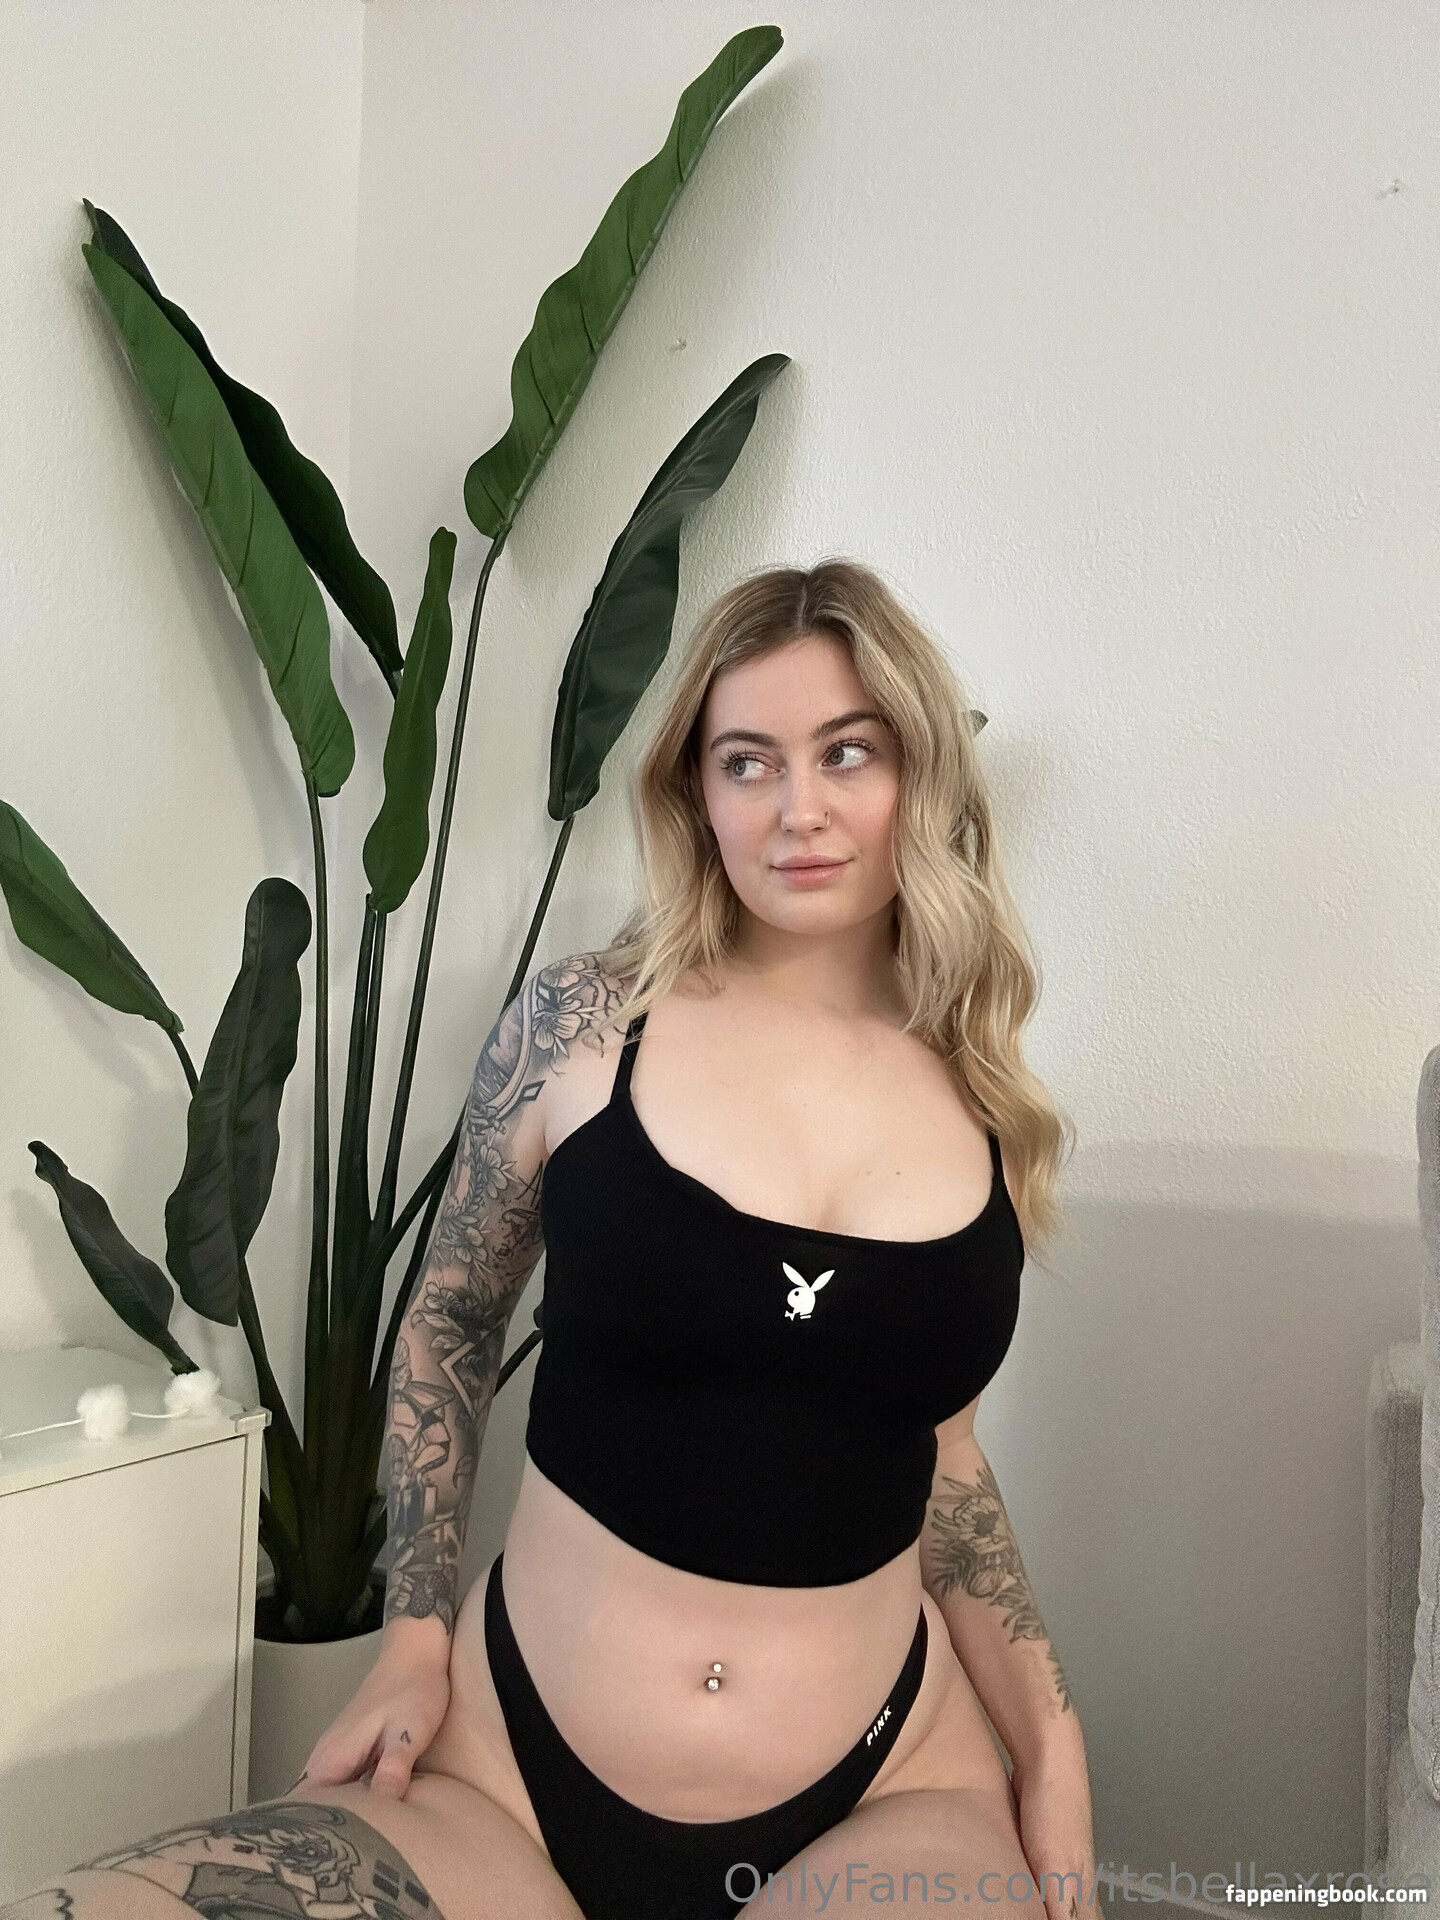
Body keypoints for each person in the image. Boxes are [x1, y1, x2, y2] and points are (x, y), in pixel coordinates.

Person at [9, 560, 1092, 1920]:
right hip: (504, 1774)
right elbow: (451, 1321)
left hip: (883, 1788)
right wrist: (414, 1637)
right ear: (696, 794)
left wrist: (1052, 1741)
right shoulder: (583, 1027)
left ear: (917, 774)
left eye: (847, 753)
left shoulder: (982, 1097)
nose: (798, 810)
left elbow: (946, 1459)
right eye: (747, 762)